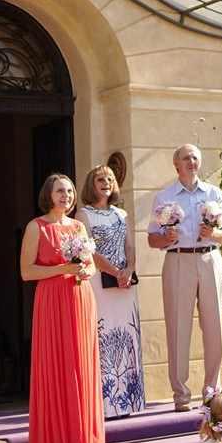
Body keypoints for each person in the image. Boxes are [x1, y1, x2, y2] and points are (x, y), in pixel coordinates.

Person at [20, 174, 105, 443]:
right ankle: (57, 441)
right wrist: (63, 269)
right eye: (60, 191)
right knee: (56, 363)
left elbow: (91, 266)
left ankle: (81, 439)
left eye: (69, 191)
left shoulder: (78, 226)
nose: (66, 195)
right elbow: (27, 272)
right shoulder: (36, 227)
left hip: (79, 299)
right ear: (48, 194)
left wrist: (84, 271)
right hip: (52, 301)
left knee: (80, 364)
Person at [147, 144, 222, 411]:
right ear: (176, 164)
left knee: (213, 327)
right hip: (177, 260)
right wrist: (165, 238)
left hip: (210, 259)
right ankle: (181, 395)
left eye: (195, 158)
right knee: (178, 327)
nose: (191, 162)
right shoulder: (164, 197)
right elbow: (152, 238)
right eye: (186, 158)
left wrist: (214, 234)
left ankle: (212, 392)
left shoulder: (214, 193)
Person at [77, 165, 145, 418]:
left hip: (125, 284)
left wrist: (129, 268)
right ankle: (104, 405)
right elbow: (89, 250)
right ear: (90, 184)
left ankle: (127, 402)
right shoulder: (83, 215)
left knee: (127, 334)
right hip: (100, 282)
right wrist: (115, 271)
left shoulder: (121, 213)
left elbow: (130, 244)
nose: (106, 182)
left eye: (110, 179)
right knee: (103, 335)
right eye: (99, 179)